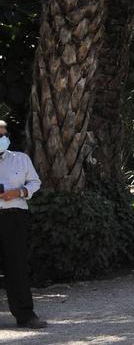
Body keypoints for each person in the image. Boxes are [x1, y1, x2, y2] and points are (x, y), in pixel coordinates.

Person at [0, 120, 45, 330]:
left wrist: (19, 192)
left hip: (15, 217)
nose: (1, 139)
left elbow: (35, 183)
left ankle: (26, 315)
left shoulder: (21, 159)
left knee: (16, 265)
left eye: (3, 134)